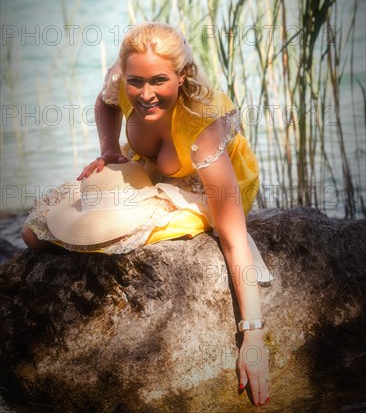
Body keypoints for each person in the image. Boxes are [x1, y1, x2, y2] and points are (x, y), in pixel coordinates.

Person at [22, 22, 271, 406]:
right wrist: (108, 150)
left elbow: (234, 237)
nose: (145, 93)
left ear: (182, 75)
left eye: (159, 80)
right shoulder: (123, 79)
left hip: (206, 187)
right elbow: (105, 104)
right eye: (136, 81)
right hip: (146, 164)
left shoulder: (203, 128)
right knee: (36, 233)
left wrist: (252, 336)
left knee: (112, 235)